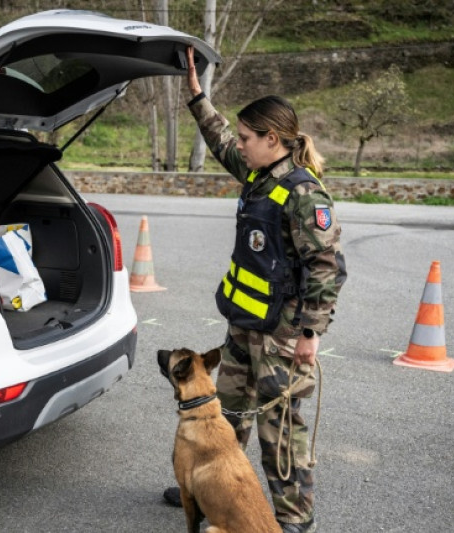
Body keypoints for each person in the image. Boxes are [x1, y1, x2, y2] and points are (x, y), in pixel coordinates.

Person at [162, 46, 346, 533]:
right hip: (244, 325)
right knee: (226, 416)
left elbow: (326, 266)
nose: (240, 145)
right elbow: (220, 139)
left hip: (282, 333)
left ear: (272, 139)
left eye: (248, 138)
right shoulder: (258, 174)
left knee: (279, 428)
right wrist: (197, 96)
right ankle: (209, 488)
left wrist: (310, 334)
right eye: (241, 137)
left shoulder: (304, 193)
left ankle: (293, 517)